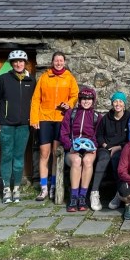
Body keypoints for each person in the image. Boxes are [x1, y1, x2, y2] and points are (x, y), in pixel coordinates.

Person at [30, 51, 79, 201]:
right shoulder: (44, 77)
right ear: (52, 62)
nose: (58, 63)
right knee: (44, 153)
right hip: (44, 118)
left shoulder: (69, 78)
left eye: (61, 60)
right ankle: (43, 188)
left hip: (60, 118)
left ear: (64, 62)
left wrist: (69, 104)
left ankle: (53, 186)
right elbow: (36, 98)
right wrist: (34, 118)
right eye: (56, 60)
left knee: (56, 153)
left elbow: (75, 95)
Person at [0, 50, 35, 204]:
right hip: (5, 124)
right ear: (11, 63)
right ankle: (6, 188)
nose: (18, 64)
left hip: (24, 125)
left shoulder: (31, 81)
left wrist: (34, 120)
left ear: (25, 63)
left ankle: (17, 188)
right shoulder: (3, 79)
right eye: (15, 61)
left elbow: (36, 103)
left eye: (21, 61)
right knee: (7, 155)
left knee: (19, 157)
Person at [59, 86, 100, 212]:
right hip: (72, 148)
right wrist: (69, 146)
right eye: (83, 99)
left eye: (89, 99)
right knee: (77, 161)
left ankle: (83, 196)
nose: (86, 101)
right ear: (79, 100)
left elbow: (98, 135)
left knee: (87, 161)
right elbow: (63, 133)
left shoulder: (97, 116)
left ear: (93, 100)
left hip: (89, 149)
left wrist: (92, 146)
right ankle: (74, 196)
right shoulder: (71, 114)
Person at [90, 91, 129, 211]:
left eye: (120, 101)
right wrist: (106, 146)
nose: (118, 104)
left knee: (117, 160)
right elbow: (99, 135)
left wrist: (118, 147)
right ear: (112, 103)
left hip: (121, 147)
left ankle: (119, 193)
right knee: (103, 159)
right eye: (115, 101)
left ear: (124, 104)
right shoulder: (106, 118)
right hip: (106, 147)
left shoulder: (129, 117)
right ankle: (94, 193)